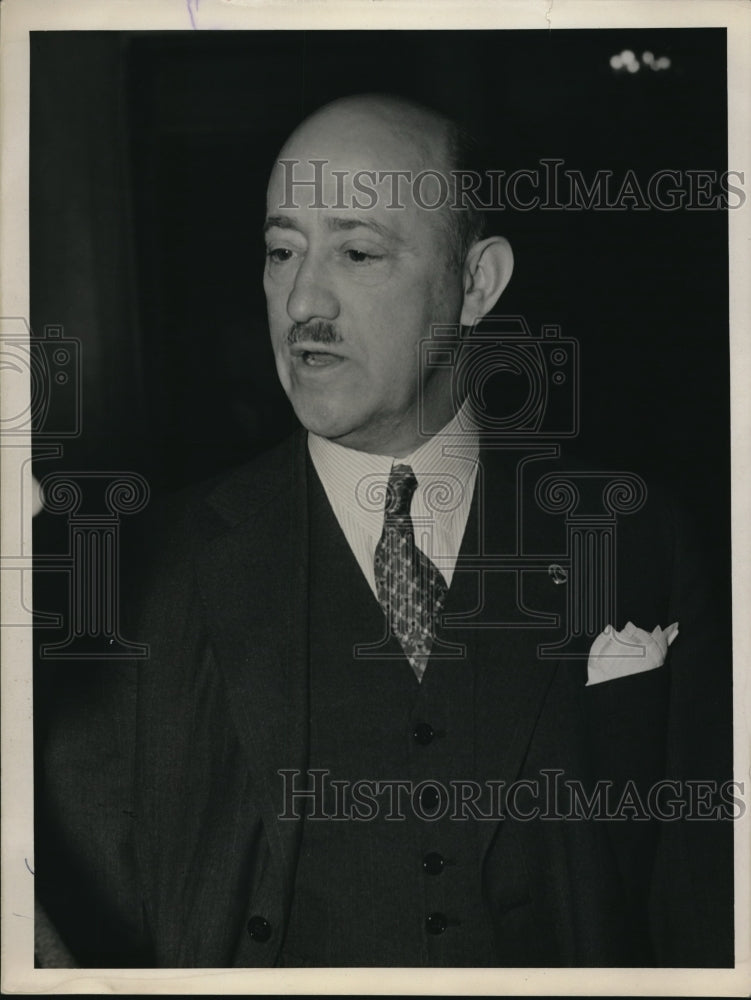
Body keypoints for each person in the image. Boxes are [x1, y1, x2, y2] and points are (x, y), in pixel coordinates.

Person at [36, 93, 733, 969]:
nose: (302, 300)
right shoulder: (137, 569)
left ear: (475, 284)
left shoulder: (637, 538)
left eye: (357, 252)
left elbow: (704, 901)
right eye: (281, 251)